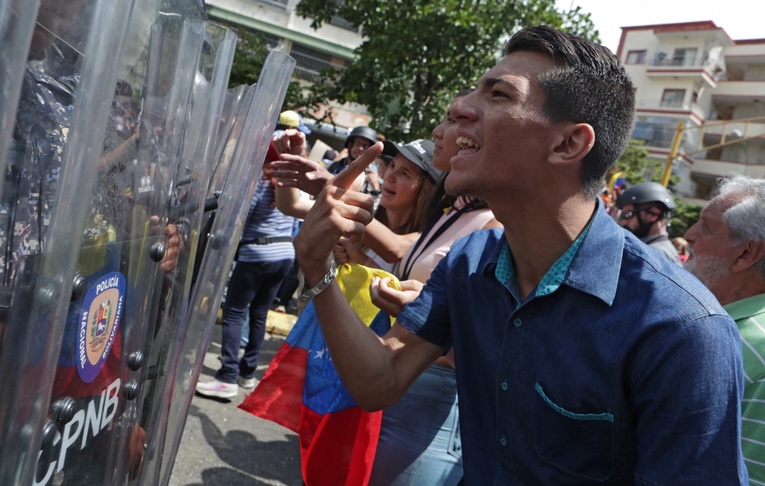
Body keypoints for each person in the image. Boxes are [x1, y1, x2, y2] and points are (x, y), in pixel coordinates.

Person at [292, 25, 748, 483]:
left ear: (569, 144)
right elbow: (381, 380)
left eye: (498, 95)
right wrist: (318, 268)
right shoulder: (471, 259)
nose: (458, 108)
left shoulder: (682, 330)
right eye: (475, 90)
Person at [368, 94, 500, 486]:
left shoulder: (493, 223)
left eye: (449, 123)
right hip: (401, 375)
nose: (440, 133)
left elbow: (486, 327)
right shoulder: (453, 212)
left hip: (436, 392)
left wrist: (433, 316)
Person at [682, 174, 765, 482]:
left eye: (706, 226)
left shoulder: (749, 347)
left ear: (746, 253)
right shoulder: (722, 328)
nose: (688, 234)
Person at [196, 149, 296, 399]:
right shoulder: (290, 182)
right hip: (285, 254)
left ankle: (227, 376)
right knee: (260, 313)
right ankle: (247, 373)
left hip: (257, 253)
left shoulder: (260, 180)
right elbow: (295, 221)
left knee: (234, 312)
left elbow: (240, 219)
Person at [334, 139, 441, 272]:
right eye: (392, 165)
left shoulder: (426, 243)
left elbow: (395, 249)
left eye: (404, 173)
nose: (390, 176)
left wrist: (361, 260)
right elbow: (301, 207)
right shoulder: (369, 223)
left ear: (425, 191)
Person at [615, 181, 683, 265]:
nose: (624, 221)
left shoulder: (655, 254)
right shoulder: (657, 249)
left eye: (629, 214)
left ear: (654, 214)